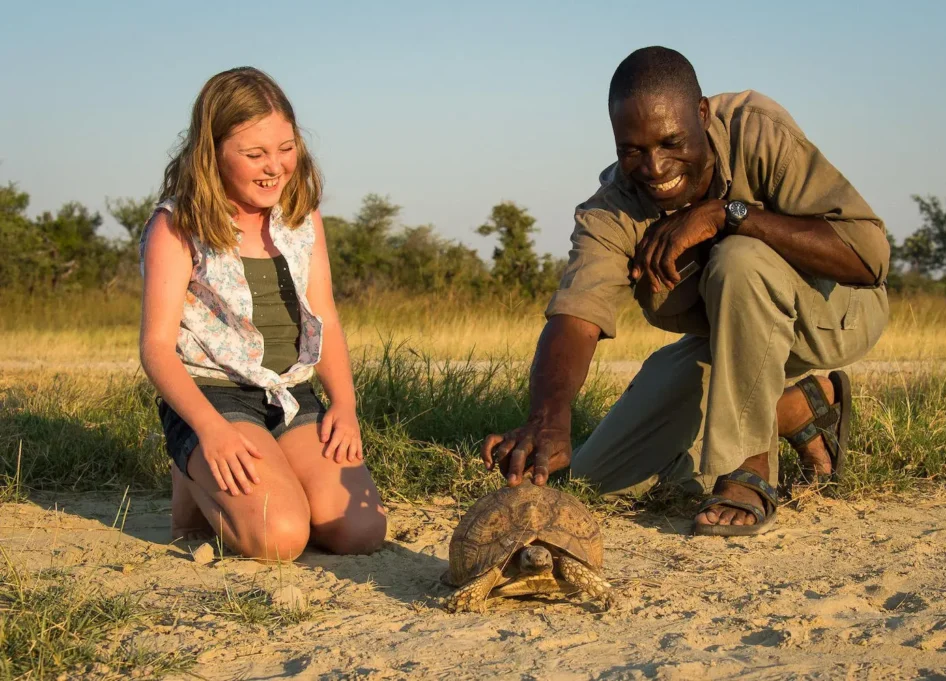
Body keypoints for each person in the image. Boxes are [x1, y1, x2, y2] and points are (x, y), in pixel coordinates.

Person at [482, 47, 890, 536]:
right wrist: (548, 416)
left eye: (671, 142)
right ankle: (794, 408)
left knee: (739, 257)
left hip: (831, 316)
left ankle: (747, 466)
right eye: (632, 149)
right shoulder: (611, 211)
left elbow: (869, 257)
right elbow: (576, 316)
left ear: (701, 114)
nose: (654, 167)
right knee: (597, 479)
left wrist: (728, 215)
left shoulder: (756, 131)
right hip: (726, 348)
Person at [139, 67, 386, 560]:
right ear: (212, 154)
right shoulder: (177, 226)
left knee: (359, 532)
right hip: (215, 398)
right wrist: (211, 430)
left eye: (286, 148)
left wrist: (345, 405)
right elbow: (155, 349)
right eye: (255, 154)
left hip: (291, 391)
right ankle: (191, 477)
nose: (275, 166)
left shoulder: (302, 214)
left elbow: (326, 317)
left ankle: (271, 471)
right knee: (280, 536)